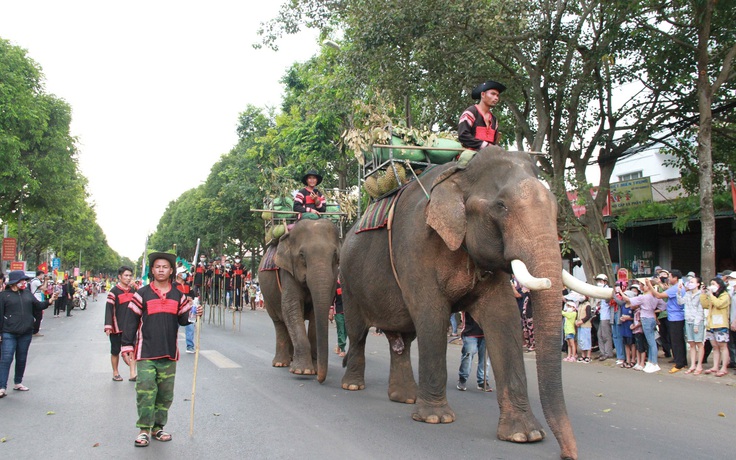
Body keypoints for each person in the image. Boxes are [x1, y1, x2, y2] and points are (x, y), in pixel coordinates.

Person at [121, 252, 203, 447]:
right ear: (152, 270)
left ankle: (158, 427)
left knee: (165, 395)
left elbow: (184, 319)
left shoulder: (178, 295)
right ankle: (143, 430)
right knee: (146, 391)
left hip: (168, 353)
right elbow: (131, 321)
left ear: (171, 271)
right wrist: (126, 345)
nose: (161, 270)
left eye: (164, 267)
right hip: (146, 352)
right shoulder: (142, 294)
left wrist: (194, 312)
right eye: (157, 266)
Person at [0, 270, 58, 397]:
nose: (24, 283)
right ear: (14, 282)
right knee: (6, 359)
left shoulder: (27, 293)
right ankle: (2, 387)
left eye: (25, 281)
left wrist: (50, 301)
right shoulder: (4, 296)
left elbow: (38, 306)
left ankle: (18, 382)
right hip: (8, 332)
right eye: (22, 281)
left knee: (21, 358)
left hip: (25, 332)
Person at [622, 279, 666, 373]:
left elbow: (628, 300)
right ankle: (650, 361)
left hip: (646, 318)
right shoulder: (656, 297)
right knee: (650, 341)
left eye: (644, 285)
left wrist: (620, 292)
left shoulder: (644, 297)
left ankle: (653, 362)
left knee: (651, 342)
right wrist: (654, 310)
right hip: (651, 318)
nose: (642, 287)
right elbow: (663, 306)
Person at [649, 269, 687, 373]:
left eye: (670, 277)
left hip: (676, 317)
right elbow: (665, 290)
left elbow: (659, 295)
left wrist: (649, 285)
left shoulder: (676, 288)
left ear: (675, 278)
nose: (668, 279)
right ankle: (681, 361)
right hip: (675, 316)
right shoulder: (677, 287)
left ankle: (680, 363)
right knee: (678, 341)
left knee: (676, 341)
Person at [105, 266, 138, 381]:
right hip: (117, 327)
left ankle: (133, 373)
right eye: (126, 275)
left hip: (131, 327)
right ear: (120, 277)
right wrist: (108, 326)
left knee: (132, 349)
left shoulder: (134, 291)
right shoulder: (113, 292)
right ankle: (115, 372)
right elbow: (109, 309)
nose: (128, 278)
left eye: (130, 276)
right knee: (115, 351)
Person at [458, 80, 506, 150]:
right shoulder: (470, 113)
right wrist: (485, 146)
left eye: (497, 95)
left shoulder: (494, 120)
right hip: (471, 152)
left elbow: (494, 142)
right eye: (493, 94)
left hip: (490, 154)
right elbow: (463, 135)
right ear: (483, 94)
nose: (496, 98)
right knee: (465, 159)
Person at [456, 311, 492, 392]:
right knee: (468, 355)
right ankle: (463, 378)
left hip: (486, 332)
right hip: (470, 331)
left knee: (485, 358)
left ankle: (482, 381)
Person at [701, 277, 730, 377]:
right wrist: (704, 294)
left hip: (721, 324)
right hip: (711, 324)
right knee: (715, 347)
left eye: (714, 284)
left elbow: (719, 304)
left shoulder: (725, 295)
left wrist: (711, 296)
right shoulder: (712, 295)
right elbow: (704, 304)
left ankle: (724, 368)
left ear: (720, 285)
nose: (712, 286)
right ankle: (715, 366)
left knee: (723, 347)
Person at [678, 276, 705, 374]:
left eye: (692, 282)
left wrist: (697, 324)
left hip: (697, 321)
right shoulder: (688, 294)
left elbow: (700, 310)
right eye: (690, 282)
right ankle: (692, 364)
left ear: (698, 284)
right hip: (688, 320)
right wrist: (679, 292)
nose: (690, 283)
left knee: (699, 343)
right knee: (691, 343)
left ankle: (699, 365)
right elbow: (680, 302)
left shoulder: (700, 295)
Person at [174, 268, 196, 354]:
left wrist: (191, 299)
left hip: (188, 309)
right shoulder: (173, 285)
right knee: (174, 328)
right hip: (177, 310)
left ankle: (190, 346)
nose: (186, 275)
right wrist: (184, 298)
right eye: (184, 273)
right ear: (179, 274)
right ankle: (172, 347)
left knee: (190, 327)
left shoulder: (188, 285)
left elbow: (193, 295)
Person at [593, 274, 614, 361]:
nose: (599, 283)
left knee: (606, 335)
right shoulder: (601, 291)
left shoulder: (607, 290)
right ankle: (602, 352)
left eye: (600, 281)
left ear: (605, 282)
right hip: (602, 315)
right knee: (600, 335)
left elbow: (608, 301)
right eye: (598, 281)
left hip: (606, 316)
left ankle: (608, 353)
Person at [29, 270, 48, 337]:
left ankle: (33, 330)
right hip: (36, 300)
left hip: (35, 299)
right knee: (38, 316)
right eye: (43, 275)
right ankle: (35, 331)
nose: (43, 276)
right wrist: (46, 281)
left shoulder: (33, 280)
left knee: (36, 315)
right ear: (40, 275)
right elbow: (44, 288)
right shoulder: (36, 281)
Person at [330, 278, 346, 357]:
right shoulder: (336, 284)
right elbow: (332, 299)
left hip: (348, 311)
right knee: (341, 330)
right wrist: (331, 311)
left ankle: (339, 346)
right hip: (338, 311)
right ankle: (343, 349)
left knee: (346, 330)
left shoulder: (348, 283)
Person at [575, 296, 593, 363]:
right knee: (581, 340)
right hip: (580, 326)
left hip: (586, 325)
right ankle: (583, 355)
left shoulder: (588, 305)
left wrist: (581, 321)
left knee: (587, 340)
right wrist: (577, 321)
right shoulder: (580, 304)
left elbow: (588, 316)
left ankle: (588, 356)